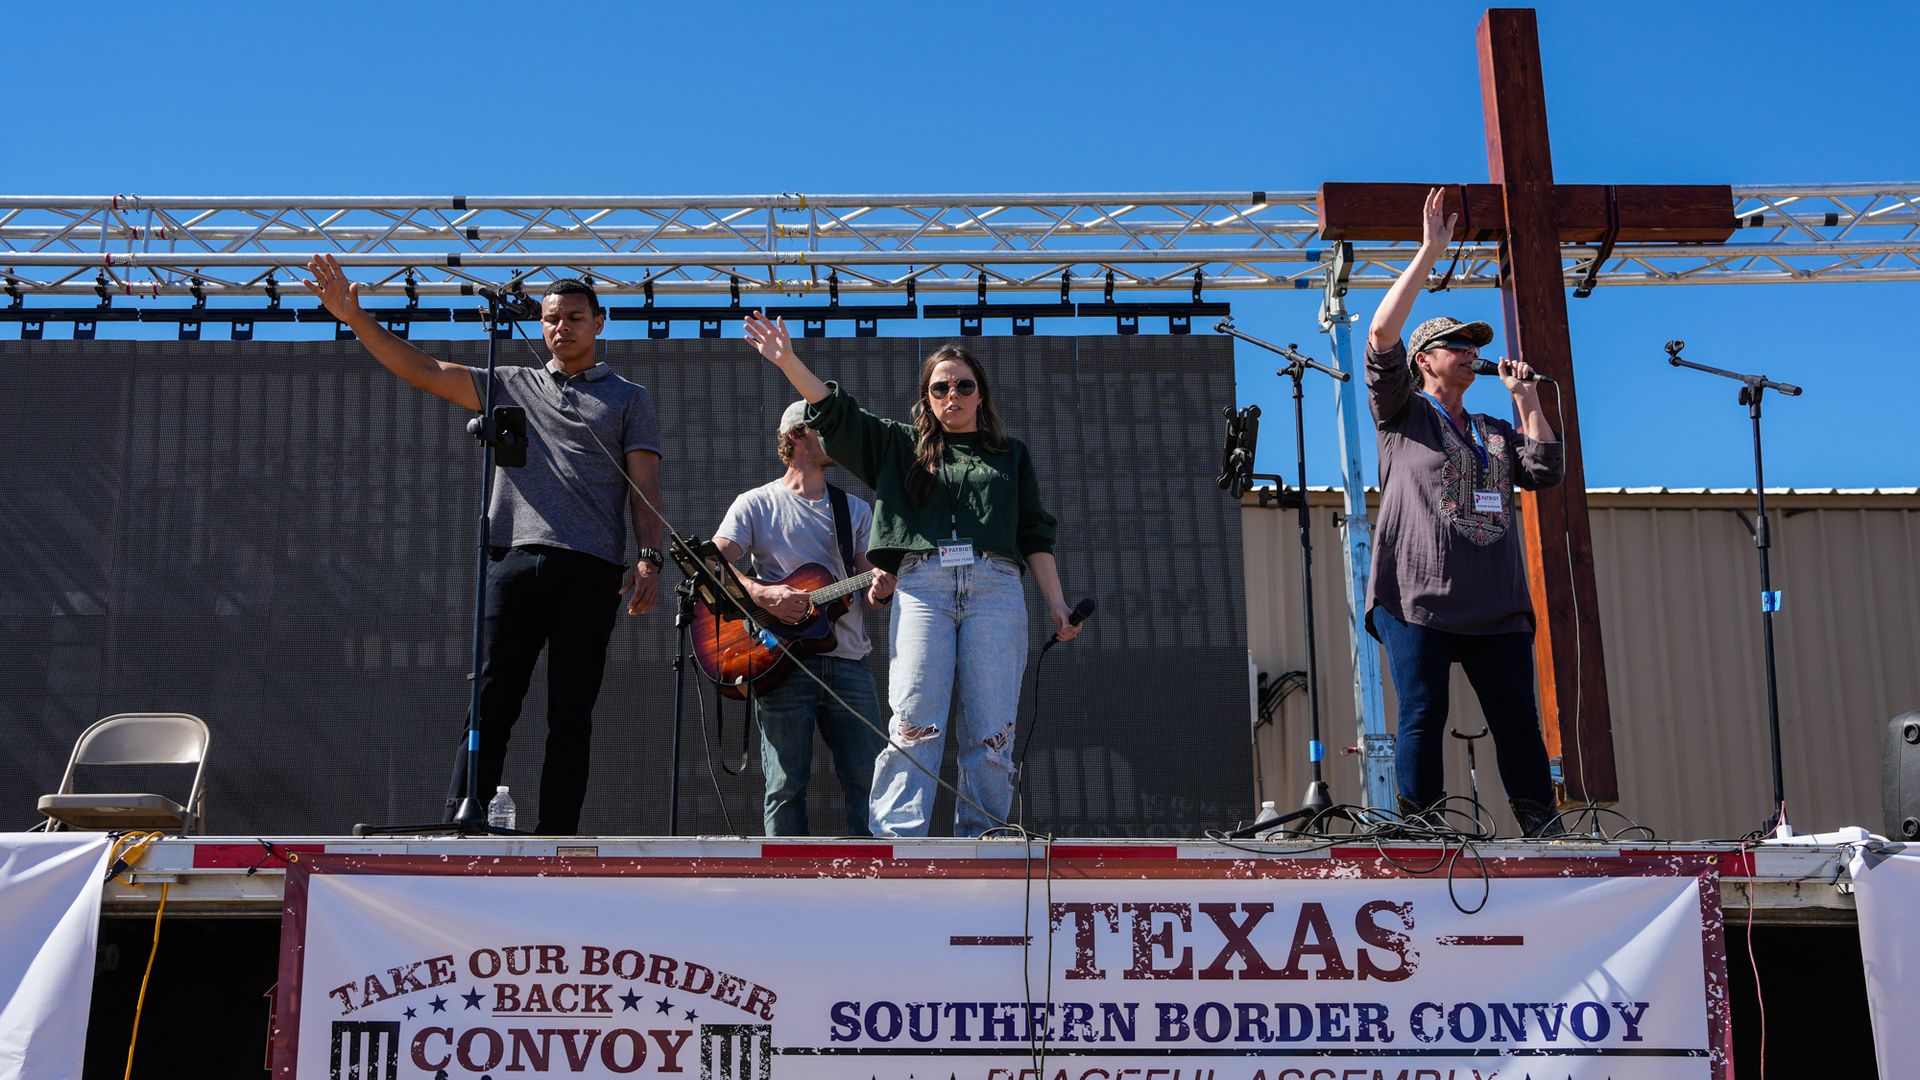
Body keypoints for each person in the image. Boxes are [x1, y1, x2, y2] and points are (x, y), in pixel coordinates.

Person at [303, 255, 664, 834]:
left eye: (574, 317)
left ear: (600, 322)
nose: (560, 328)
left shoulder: (629, 398)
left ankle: (559, 839)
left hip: (592, 568)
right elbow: (423, 369)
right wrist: (356, 318)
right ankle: (461, 824)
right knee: (491, 700)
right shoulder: (509, 381)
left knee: (571, 711)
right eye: (550, 318)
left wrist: (649, 560)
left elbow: (645, 488)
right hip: (513, 560)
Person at [742, 312, 1080, 837]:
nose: (953, 395)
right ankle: (899, 844)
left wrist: (1057, 603)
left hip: (996, 587)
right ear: (927, 398)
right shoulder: (901, 447)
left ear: (981, 395)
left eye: (964, 386)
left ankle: (985, 838)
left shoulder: (1012, 456)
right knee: (914, 722)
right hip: (924, 587)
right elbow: (837, 414)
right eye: (940, 387)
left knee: (992, 731)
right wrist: (788, 360)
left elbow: (1035, 534)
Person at [1363, 187, 1565, 838]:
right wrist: (1430, 251)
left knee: (1517, 721)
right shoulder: (1403, 414)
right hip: (1418, 598)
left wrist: (1528, 398)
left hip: (1495, 605)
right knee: (1421, 713)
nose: (1469, 350)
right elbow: (1378, 335)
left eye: (1472, 344)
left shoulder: (1491, 426)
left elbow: (1545, 470)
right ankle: (1420, 829)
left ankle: (1540, 825)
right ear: (1424, 361)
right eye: (1455, 343)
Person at [712, 401, 896, 836]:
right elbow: (712, 564)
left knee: (868, 780)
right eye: (824, 429)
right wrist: (762, 593)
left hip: (849, 662)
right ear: (797, 436)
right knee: (785, 784)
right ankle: (784, 886)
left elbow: (871, 589)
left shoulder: (854, 509)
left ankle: (869, 884)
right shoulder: (755, 504)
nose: (838, 438)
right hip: (780, 660)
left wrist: (882, 589)